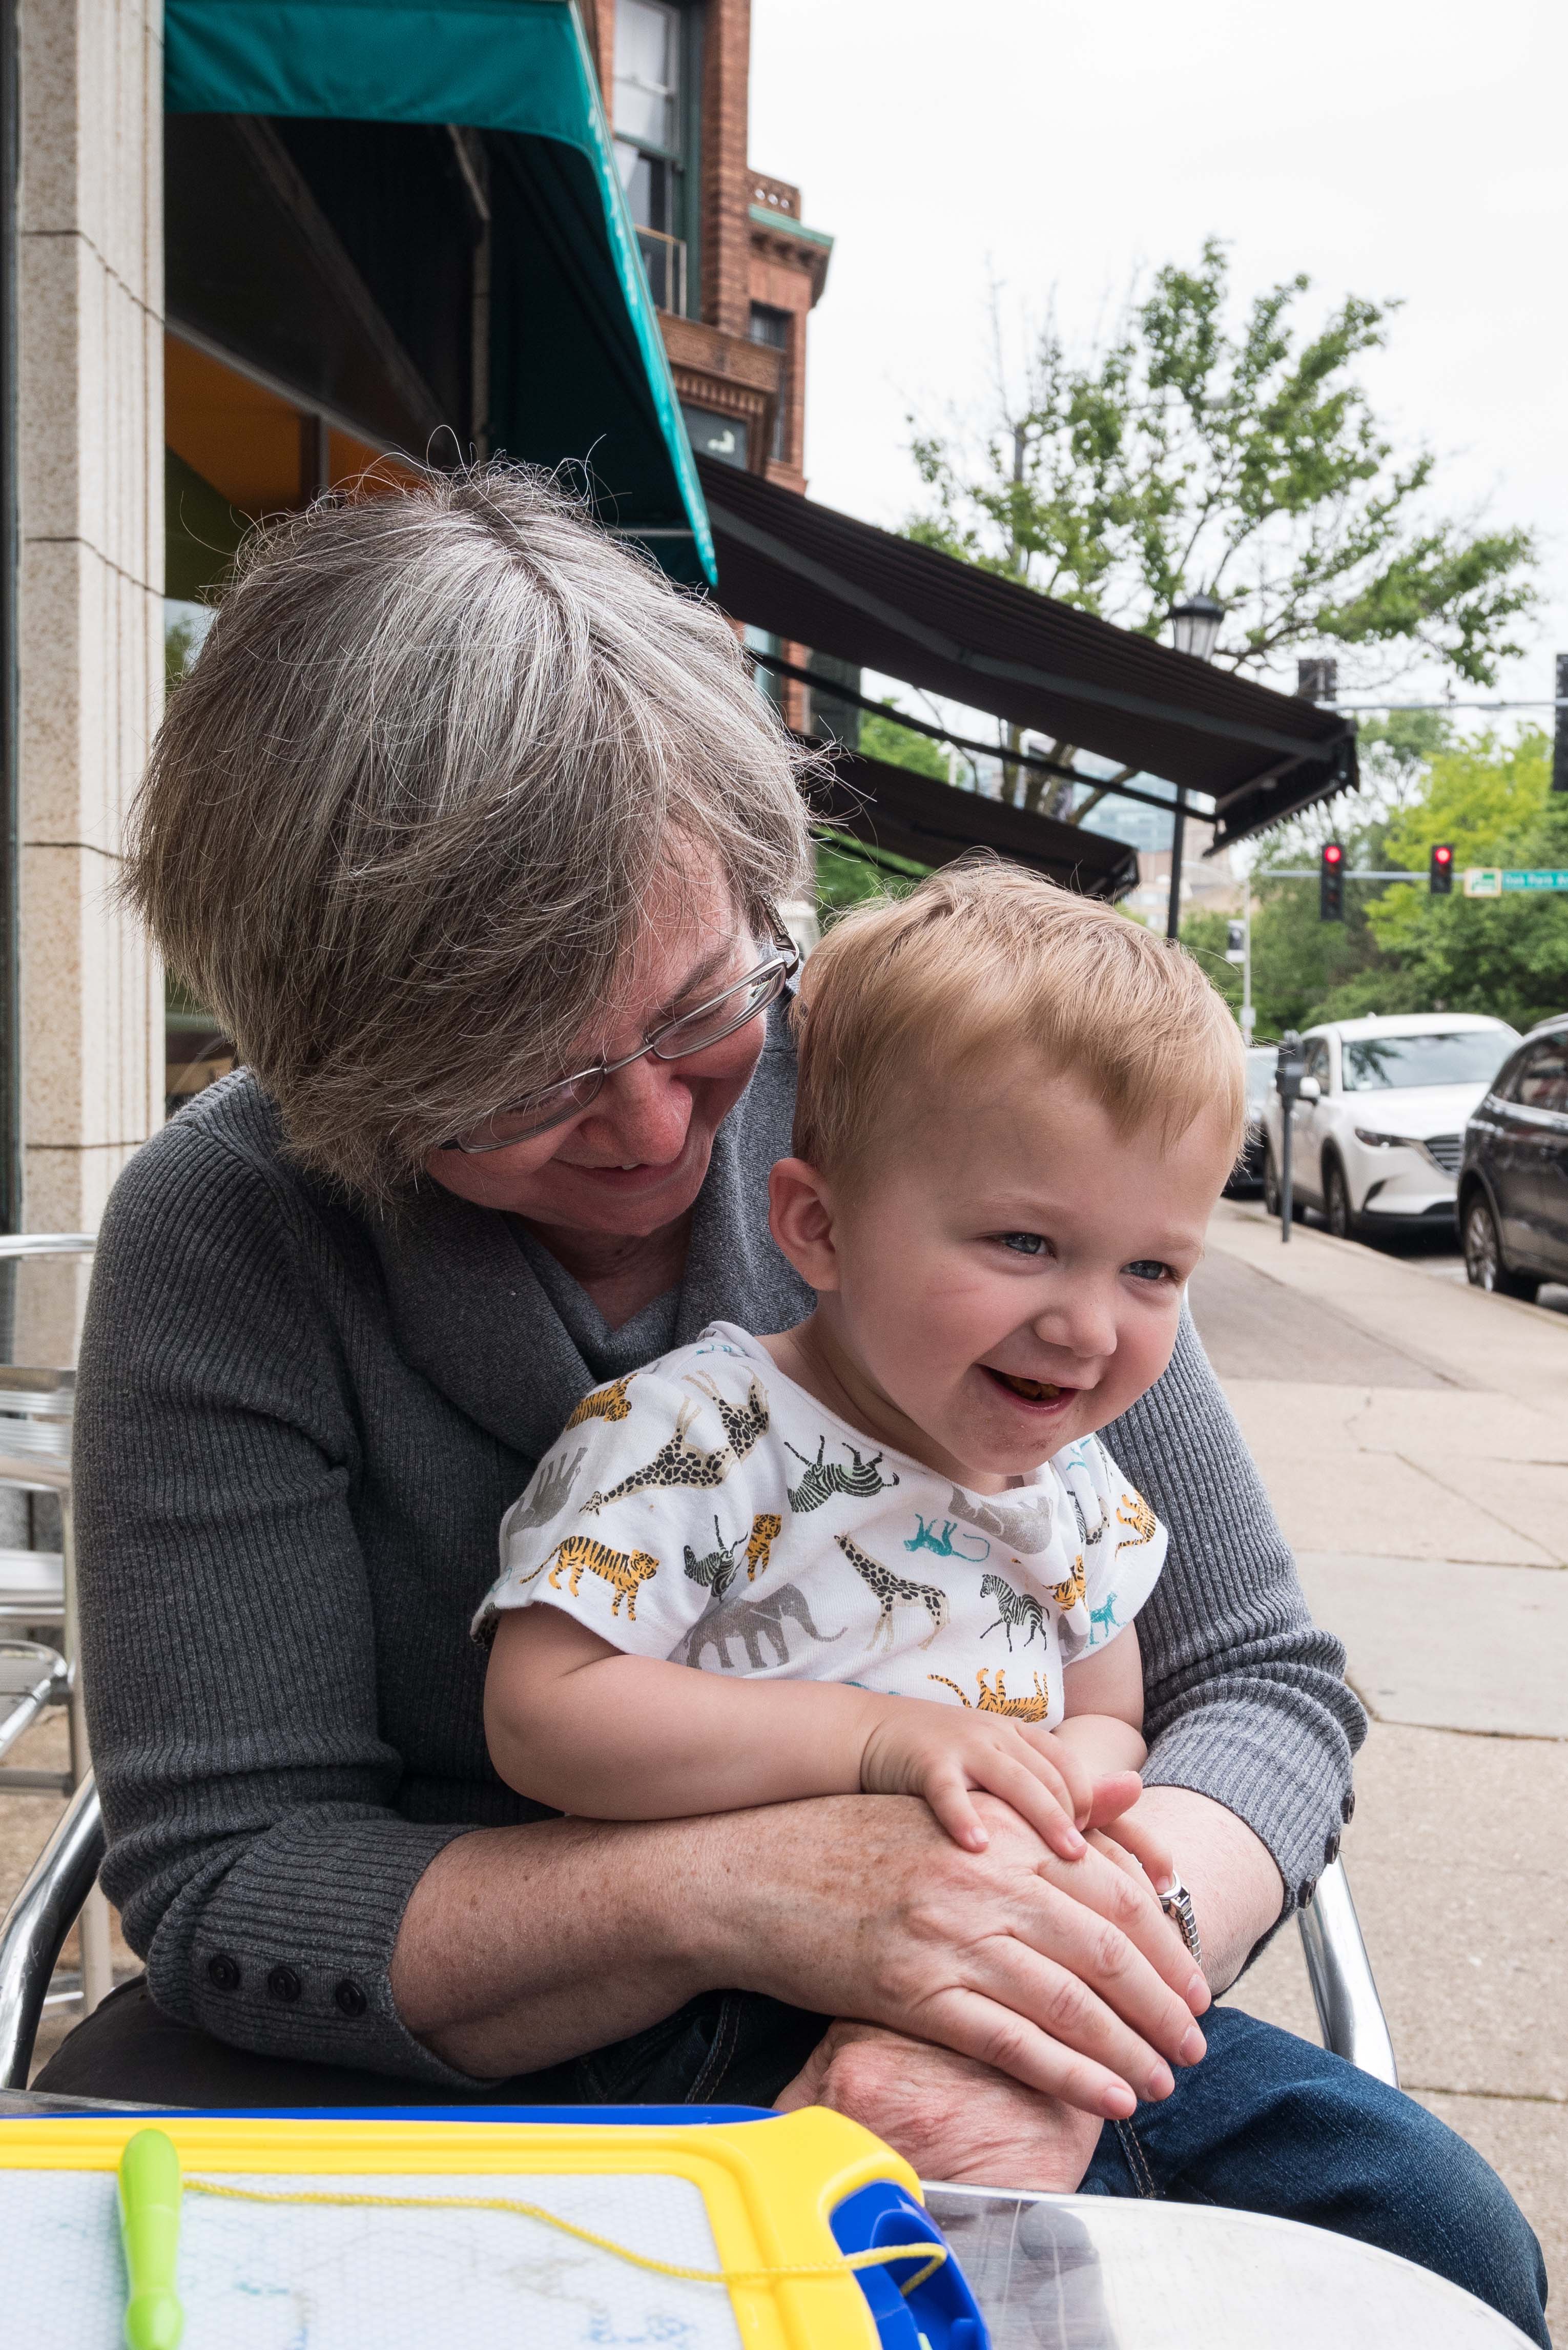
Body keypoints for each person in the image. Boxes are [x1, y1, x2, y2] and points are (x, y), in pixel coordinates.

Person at [44, 465, 1544, 2343]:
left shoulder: (931, 1087)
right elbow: (232, 1871)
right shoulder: (235, 1225)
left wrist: (1056, 1998)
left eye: (694, 1012)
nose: (663, 1127)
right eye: (519, 1084)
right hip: (462, 2065)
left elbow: (1256, 1677)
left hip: (999, 1995)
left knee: (1436, 2248)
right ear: (324, 1066)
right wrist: (763, 1890)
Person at [479, 870, 1246, 1967]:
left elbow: (1109, 1711)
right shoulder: (697, 1437)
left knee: (1381, 2145)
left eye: (1153, 1268)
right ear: (817, 1227)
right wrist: (883, 1740)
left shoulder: (1077, 1481)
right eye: (1026, 1244)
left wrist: (1070, 1793)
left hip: (1001, 1965)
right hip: (720, 1999)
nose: (1087, 1328)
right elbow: (541, 1714)